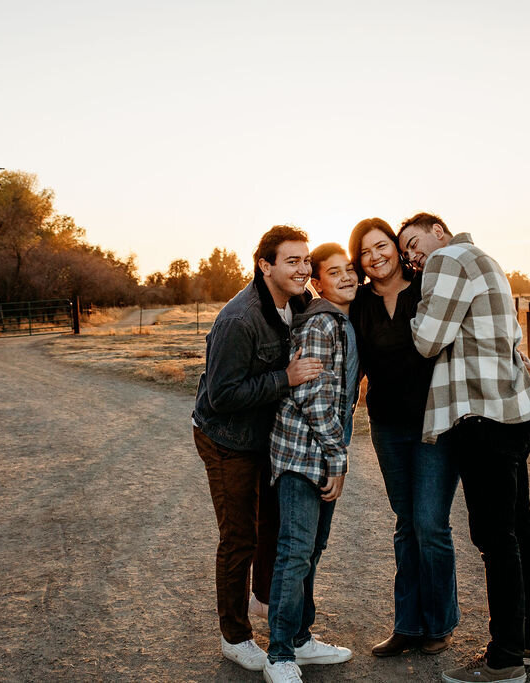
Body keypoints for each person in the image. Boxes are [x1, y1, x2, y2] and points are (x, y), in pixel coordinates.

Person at [399, 213, 530, 683]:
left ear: (439, 231)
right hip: (514, 411)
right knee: (519, 530)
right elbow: (512, 336)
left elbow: (427, 340)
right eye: (406, 251)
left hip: (483, 416)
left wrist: (415, 312)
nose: (411, 254)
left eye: (414, 241)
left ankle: (505, 659)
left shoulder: (447, 259)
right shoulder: (487, 261)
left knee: (496, 540)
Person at [192, 225, 323, 673]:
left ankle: (273, 608)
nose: (303, 268)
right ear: (265, 265)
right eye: (292, 260)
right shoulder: (239, 319)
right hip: (226, 439)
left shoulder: (298, 303)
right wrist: (284, 378)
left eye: (305, 260)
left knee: (276, 527)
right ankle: (235, 636)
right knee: (239, 538)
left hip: (266, 438)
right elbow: (221, 397)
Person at [347, 218, 460, 657]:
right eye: (365, 253)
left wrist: (512, 345)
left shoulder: (426, 286)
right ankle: (407, 625)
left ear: (397, 249)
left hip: (436, 423)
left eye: (382, 247)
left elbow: (463, 324)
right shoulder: (360, 304)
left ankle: (439, 622)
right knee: (405, 524)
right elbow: (352, 361)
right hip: (389, 427)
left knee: (430, 523)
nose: (375, 258)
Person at [264, 243, 359, 683]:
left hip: (322, 451)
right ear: (317, 283)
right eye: (334, 272)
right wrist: (337, 458)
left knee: (312, 552)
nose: (347, 277)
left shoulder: (341, 321)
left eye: (350, 269)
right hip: (304, 454)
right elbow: (311, 394)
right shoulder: (322, 322)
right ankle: (279, 655)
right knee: (296, 553)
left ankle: (301, 640)